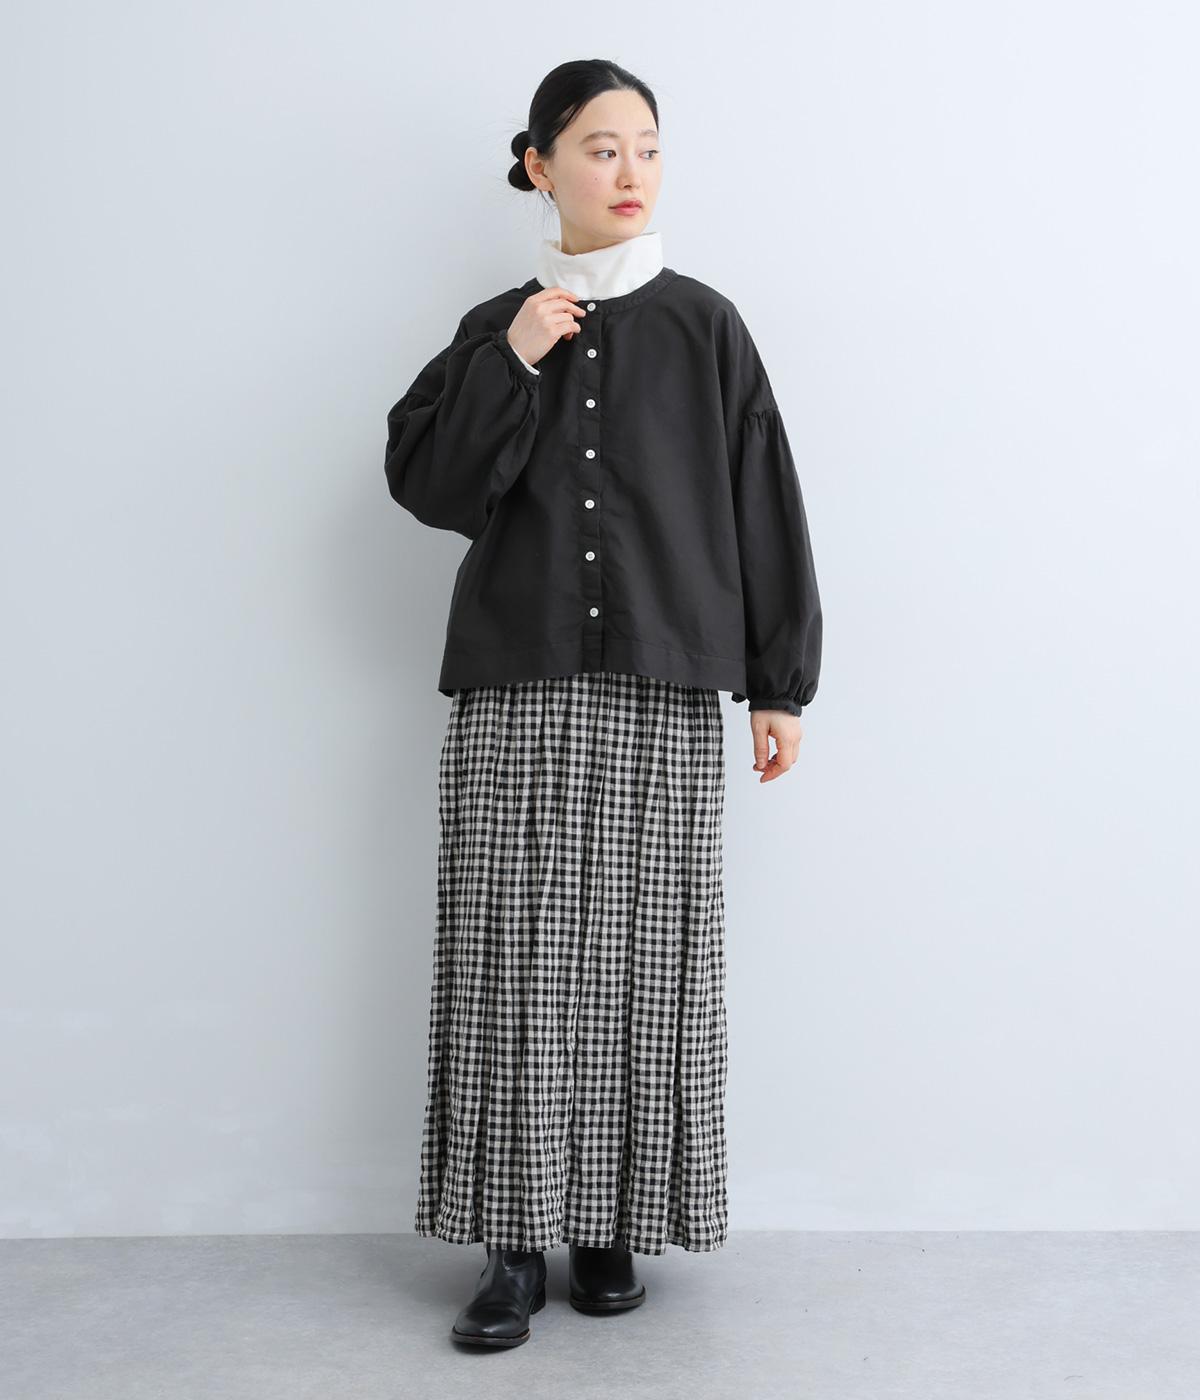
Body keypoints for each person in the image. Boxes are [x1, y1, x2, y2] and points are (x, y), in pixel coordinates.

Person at [383, 58, 822, 1348]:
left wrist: (779, 682)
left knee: (648, 966)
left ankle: (615, 1224)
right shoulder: (495, 327)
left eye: (646, 148)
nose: (629, 172)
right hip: (517, 684)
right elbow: (429, 487)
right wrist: (512, 360)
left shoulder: (706, 326)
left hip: (664, 687)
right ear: (540, 166)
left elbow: (762, 497)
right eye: (599, 148)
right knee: (512, 968)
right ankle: (512, 1242)